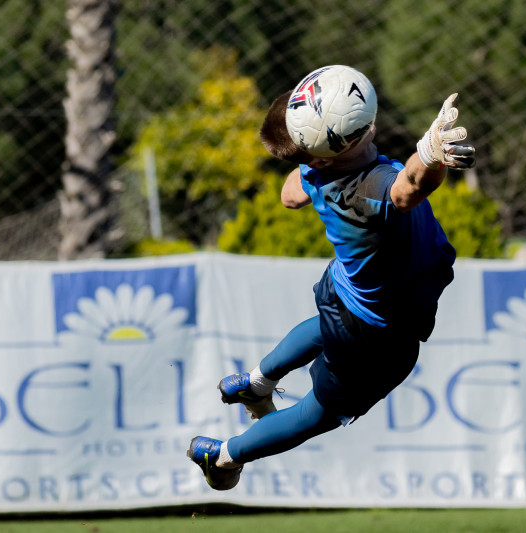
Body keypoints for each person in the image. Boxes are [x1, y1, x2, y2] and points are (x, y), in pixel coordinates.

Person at [186, 66, 475, 491]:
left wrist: (311, 157)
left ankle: (254, 383)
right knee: (318, 414)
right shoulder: (364, 186)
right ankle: (224, 456)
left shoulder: (314, 172)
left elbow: (288, 197)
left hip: (343, 292)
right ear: (319, 150)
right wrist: (430, 154)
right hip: (375, 332)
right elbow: (409, 187)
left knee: (324, 327)